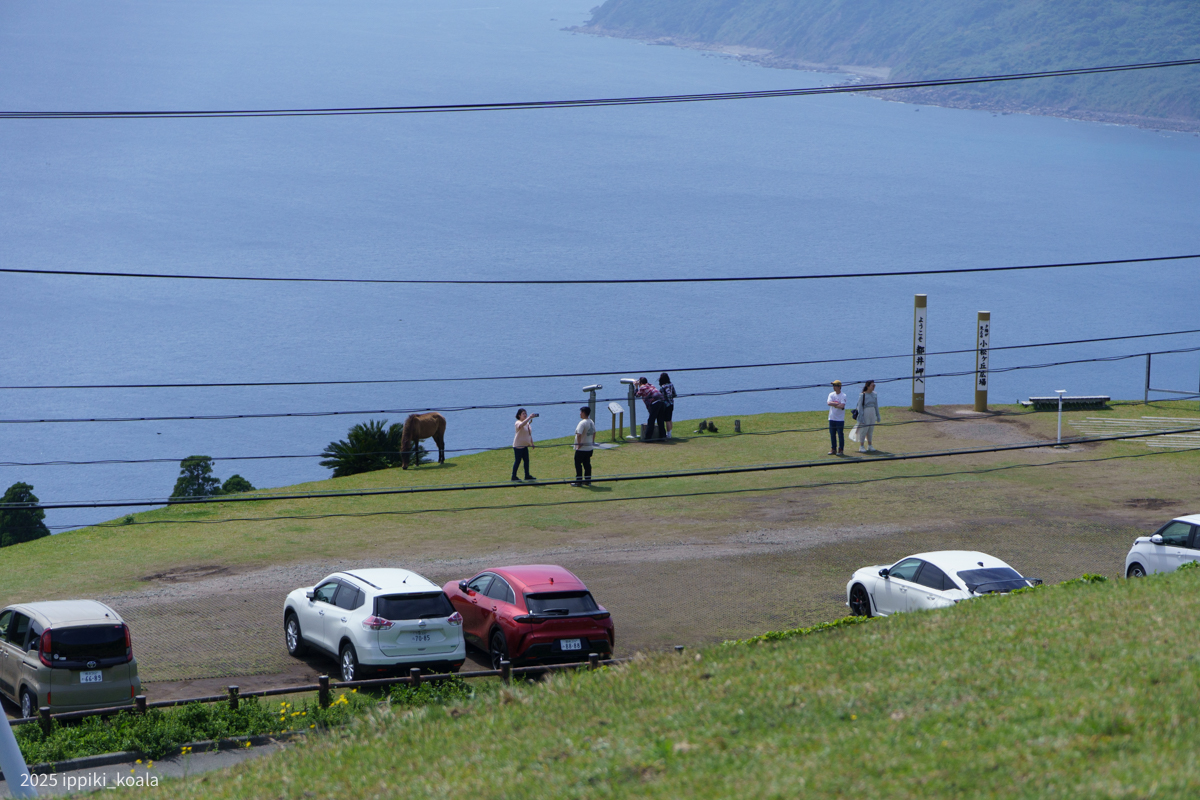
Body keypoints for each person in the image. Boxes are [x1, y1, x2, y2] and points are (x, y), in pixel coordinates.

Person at [635, 377, 666, 441]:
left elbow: (637, 395)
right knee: (660, 420)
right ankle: (663, 437)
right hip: (662, 401)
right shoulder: (651, 385)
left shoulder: (642, 387)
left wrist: (636, 387)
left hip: (655, 402)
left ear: (640, 383)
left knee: (651, 420)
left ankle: (648, 438)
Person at [854, 381, 881, 453]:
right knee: (864, 430)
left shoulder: (874, 394)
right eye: (872, 385)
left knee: (870, 429)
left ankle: (870, 445)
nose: (874, 387)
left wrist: (878, 415)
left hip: (872, 412)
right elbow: (860, 407)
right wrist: (861, 417)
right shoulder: (862, 395)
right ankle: (861, 446)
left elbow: (876, 405)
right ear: (868, 386)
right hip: (865, 413)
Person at [512, 408, 538, 481]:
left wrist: (532, 443)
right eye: (523, 414)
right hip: (518, 446)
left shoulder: (527, 424)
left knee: (526, 461)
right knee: (518, 461)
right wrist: (529, 417)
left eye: (525, 413)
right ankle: (513, 476)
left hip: (525, 446)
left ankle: (527, 475)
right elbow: (521, 425)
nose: (525, 415)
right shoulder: (517, 422)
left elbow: (529, 434)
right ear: (519, 415)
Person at [573, 406, 595, 486]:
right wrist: (592, 441)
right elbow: (594, 432)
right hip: (589, 448)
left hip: (582, 449)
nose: (580, 413)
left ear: (584, 413)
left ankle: (578, 481)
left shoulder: (582, 423)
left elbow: (579, 434)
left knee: (578, 464)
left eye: (581, 412)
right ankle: (587, 480)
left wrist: (578, 445)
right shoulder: (591, 421)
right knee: (587, 464)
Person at [827, 380, 847, 456]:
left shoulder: (843, 395)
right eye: (833, 385)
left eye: (835, 385)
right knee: (832, 434)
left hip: (840, 419)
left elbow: (842, 406)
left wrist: (834, 404)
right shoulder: (831, 394)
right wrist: (837, 404)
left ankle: (841, 449)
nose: (833, 387)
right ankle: (833, 449)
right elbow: (828, 403)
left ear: (839, 387)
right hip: (831, 418)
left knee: (840, 435)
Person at [658, 373, 677, 438]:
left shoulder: (663, 387)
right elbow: (674, 394)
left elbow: (661, 397)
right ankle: (670, 432)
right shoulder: (671, 385)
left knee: (667, 420)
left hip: (666, 405)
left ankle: (668, 434)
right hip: (672, 403)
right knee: (670, 419)